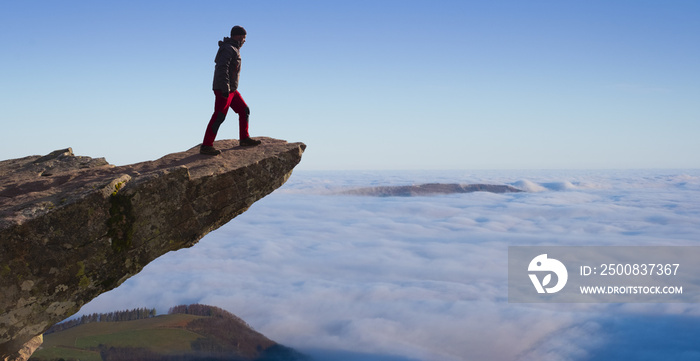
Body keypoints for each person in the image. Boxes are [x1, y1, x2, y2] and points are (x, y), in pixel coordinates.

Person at [201, 25, 261, 155]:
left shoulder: (233, 48)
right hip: (224, 89)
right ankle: (206, 145)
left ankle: (244, 138)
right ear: (238, 37)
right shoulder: (228, 48)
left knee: (244, 110)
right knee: (219, 116)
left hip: (232, 90)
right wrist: (225, 88)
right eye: (244, 38)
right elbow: (222, 68)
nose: (245, 41)